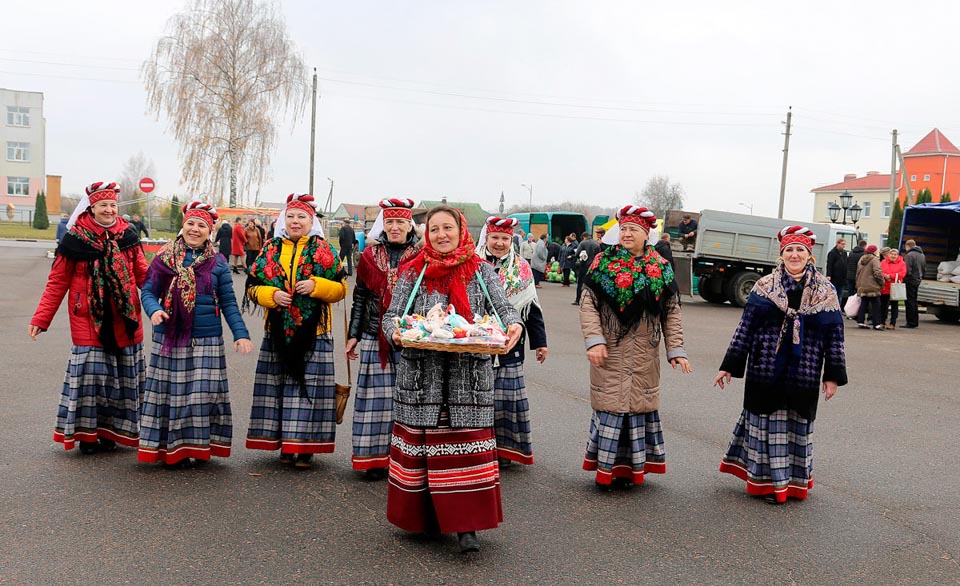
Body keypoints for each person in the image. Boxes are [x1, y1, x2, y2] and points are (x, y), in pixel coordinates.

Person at [382, 205, 523, 554]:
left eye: (448, 228)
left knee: (467, 449)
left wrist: (515, 325)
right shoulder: (413, 271)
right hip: (421, 377)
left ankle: (467, 527)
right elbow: (391, 317)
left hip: (469, 378)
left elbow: (505, 310)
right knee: (423, 450)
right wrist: (396, 335)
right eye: (434, 230)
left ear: (461, 231)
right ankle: (424, 519)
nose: (441, 235)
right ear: (426, 234)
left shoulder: (482, 270)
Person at [714, 225, 847, 505]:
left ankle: (792, 485)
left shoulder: (826, 291)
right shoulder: (764, 287)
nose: (795, 254)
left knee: (796, 425)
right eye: (789, 250)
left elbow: (835, 336)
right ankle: (768, 485)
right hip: (765, 368)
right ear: (781, 255)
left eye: (800, 250)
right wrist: (729, 365)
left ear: (809, 256)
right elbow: (745, 329)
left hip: (805, 371)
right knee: (767, 425)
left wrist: (832, 376)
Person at [28, 181, 148, 454]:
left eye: (112, 205)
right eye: (103, 205)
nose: (108, 210)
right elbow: (57, 283)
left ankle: (113, 433)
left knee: (122, 380)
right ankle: (87, 435)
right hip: (89, 320)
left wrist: (164, 301)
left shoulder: (128, 236)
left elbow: (144, 276)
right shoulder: (74, 240)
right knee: (91, 380)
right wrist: (40, 319)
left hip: (126, 319)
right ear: (92, 207)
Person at [579, 206, 690, 491]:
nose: (627, 234)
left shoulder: (660, 268)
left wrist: (675, 349)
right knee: (612, 407)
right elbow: (588, 305)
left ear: (646, 234)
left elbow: (672, 311)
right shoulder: (602, 263)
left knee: (637, 409)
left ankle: (631, 471)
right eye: (624, 228)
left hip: (644, 352)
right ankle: (606, 469)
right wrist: (595, 340)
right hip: (611, 349)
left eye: (634, 229)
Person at [138, 201, 254, 468]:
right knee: (171, 396)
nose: (195, 228)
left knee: (200, 396)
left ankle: (198, 447)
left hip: (207, 339)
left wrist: (241, 334)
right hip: (170, 337)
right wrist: (154, 310)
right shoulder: (163, 258)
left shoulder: (218, 263)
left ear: (209, 231)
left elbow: (228, 303)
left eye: (201, 225)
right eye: (191, 223)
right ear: (183, 226)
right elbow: (147, 291)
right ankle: (173, 450)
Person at [244, 194, 348, 469]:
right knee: (279, 388)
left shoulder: (325, 251)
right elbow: (252, 288)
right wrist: (272, 294)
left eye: (301, 216)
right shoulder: (270, 249)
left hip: (316, 332)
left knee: (308, 391)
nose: (295, 221)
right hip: (277, 331)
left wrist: (317, 286)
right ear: (283, 220)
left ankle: (304, 448)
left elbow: (340, 289)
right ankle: (284, 444)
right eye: (290, 216)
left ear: (311, 221)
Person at [345, 198, 420, 480]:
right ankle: (373, 460)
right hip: (373, 336)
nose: (395, 227)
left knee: (407, 399)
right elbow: (360, 298)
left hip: (409, 337)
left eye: (400, 222)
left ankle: (404, 460)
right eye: (390, 222)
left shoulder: (422, 256)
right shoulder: (368, 257)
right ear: (383, 225)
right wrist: (353, 335)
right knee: (375, 401)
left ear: (409, 224)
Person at [476, 216, 548, 468]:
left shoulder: (521, 269)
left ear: (511, 240)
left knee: (507, 399)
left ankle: (506, 451)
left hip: (510, 344)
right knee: (480, 398)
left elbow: (531, 308)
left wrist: (540, 343)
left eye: (505, 238)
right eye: (495, 237)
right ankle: (480, 450)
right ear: (486, 238)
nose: (499, 243)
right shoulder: (472, 264)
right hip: (476, 342)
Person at [855, 244, 884, 330]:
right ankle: (876, 323)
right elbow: (877, 272)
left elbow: (858, 272)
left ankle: (860, 321)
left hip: (862, 284)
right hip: (872, 285)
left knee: (864, 303)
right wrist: (882, 282)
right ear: (874, 251)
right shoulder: (875, 260)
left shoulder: (861, 259)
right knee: (876, 305)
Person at [879, 248, 907, 330]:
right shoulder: (883, 262)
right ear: (889, 255)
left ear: (897, 255)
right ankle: (882, 322)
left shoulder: (902, 263)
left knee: (894, 306)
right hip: (885, 286)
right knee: (883, 306)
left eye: (895, 254)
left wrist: (890, 276)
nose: (893, 256)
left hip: (895, 287)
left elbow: (902, 273)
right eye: (892, 254)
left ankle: (892, 323)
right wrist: (884, 275)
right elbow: (879, 270)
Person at [903, 239, 926, 328]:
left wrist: (904, 279)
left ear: (907, 246)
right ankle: (915, 321)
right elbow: (924, 268)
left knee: (909, 302)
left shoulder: (909, 255)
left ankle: (910, 322)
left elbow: (907, 270)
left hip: (910, 281)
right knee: (914, 301)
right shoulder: (922, 255)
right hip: (917, 280)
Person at [573, 230, 601, 305]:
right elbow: (600, 255)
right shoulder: (596, 244)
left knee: (581, 283)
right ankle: (592, 301)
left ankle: (578, 299)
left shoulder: (582, 243)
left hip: (584, 266)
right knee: (592, 284)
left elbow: (577, 254)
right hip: (594, 266)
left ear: (584, 237)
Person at [845, 239, 867, 313]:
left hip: (849, 275)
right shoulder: (863, 254)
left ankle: (849, 309)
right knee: (858, 294)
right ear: (864, 246)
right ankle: (856, 311)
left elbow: (847, 263)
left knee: (850, 295)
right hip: (858, 276)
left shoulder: (851, 252)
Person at [826, 238, 848, 303]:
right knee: (833, 294)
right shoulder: (832, 253)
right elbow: (829, 264)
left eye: (844, 244)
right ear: (838, 244)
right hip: (834, 277)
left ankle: (838, 309)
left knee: (840, 294)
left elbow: (846, 263)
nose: (844, 246)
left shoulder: (844, 253)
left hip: (842, 278)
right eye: (842, 244)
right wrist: (828, 275)